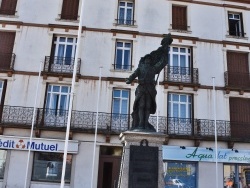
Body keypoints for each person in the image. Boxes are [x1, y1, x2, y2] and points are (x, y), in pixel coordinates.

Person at [126, 33, 173, 131]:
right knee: (141, 105)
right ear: (144, 60)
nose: (148, 60)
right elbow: (134, 74)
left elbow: (161, 63)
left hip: (150, 89)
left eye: (149, 59)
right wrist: (129, 80)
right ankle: (140, 124)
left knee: (148, 106)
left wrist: (165, 54)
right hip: (142, 88)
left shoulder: (153, 68)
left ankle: (145, 124)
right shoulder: (141, 68)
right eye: (147, 59)